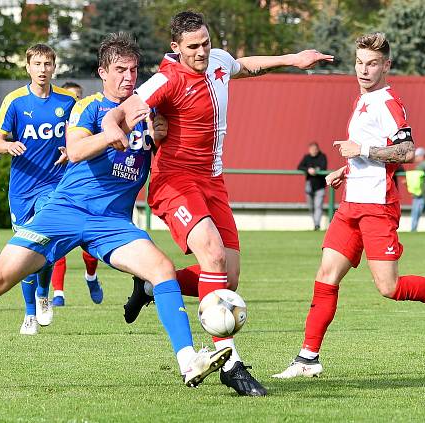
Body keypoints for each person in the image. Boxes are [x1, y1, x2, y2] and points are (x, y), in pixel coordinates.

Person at [0, 33, 231, 390]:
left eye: (133, 70)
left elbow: (173, 141)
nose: (128, 77)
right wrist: (117, 130)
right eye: (119, 70)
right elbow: (78, 148)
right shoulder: (89, 108)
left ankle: (188, 360)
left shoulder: (150, 112)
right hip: (65, 210)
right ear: (102, 72)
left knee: (162, 269)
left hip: (112, 222)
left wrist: (159, 135)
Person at [103, 10, 332, 396]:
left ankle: (153, 285)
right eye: (193, 47)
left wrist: (293, 59)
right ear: (175, 47)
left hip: (213, 182)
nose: (202, 52)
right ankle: (231, 362)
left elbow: (246, 65)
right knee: (213, 257)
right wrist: (113, 129)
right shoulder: (168, 77)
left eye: (206, 43)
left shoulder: (218, 60)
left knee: (230, 278)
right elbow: (123, 109)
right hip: (174, 182)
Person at [271, 33, 425, 380]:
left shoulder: (389, 103)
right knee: (326, 277)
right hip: (350, 205)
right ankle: (307, 358)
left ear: (386, 66)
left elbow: (406, 152)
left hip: (377, 207)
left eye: (372, 63)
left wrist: (361, 152)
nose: (364, 69)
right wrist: (345, 169)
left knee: (390, 288)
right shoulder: (362, 100)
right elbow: (368, 150)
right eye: (359, 62)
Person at [0, 44, 90, 335]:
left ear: (54, 67)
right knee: (24, 250)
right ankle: (29, 312)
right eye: (37, 64)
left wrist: (69, 149)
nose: (43, 69)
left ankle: (42, 293)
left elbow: (80, 137)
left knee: (44, 245)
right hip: (22, 189)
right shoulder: (15, 101)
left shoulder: (68, 101)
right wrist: (8, 145)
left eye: (47, 63)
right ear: (28, 67)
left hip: (54, 185)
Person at [50, 81, 103, 307]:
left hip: (86, 191)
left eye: (78, 98)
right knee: (57, 243)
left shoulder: (93, 119)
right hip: (58, 186)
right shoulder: (56, 123)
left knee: (90, 248)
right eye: (71, 99)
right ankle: (58, 293)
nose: (76, 103)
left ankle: (91, 277)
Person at [297, 142, 328, 230]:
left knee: (318, 206)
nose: (313, 151)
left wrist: (316, 170)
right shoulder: (307, 157)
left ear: (318, 149)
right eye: (311, 149)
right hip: (309, 186)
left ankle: (317, 225)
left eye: (315, 149)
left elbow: (323, 167)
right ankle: (315, 223)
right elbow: (299, 167)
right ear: (309, 150)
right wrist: (308, 169)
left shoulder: (322, 156)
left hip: (320, 186)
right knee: (311, 206)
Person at [404, 147, 425, 231]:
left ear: (422, 156)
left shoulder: (424, 164)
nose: (415, 158)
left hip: (421, 193)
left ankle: (413, 230)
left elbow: (417, 176)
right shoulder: (424, 165)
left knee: (415, 212)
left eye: (417, 156)